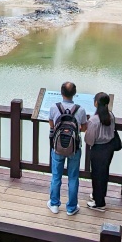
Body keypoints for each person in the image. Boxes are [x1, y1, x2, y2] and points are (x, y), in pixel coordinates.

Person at [47, 81, 88, 216]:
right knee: (73, 177)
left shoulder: (54, 107)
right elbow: (84, 128)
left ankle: (54, 204)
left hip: (57, 146)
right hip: (74, 147)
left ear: (61, 92)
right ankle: (71, 208)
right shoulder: (80, 109)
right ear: (74, 94)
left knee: (56, 176)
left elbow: (51, 125)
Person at [85, 92, 118, 210]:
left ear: (96, 103)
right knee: (103, 174)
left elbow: (89, 140)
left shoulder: (94, 120)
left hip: (98, 149)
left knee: (96, 175)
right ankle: (98, 195)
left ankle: (99, 203)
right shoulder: (111, 116)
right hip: (109, 148)